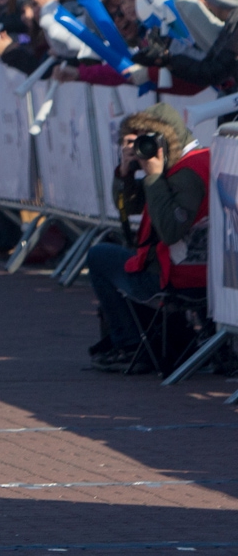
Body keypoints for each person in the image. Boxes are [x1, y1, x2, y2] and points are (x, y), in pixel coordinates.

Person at [87, 106, 208, 373]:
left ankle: (128, 344)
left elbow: (170, 230)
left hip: (176, 276)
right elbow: (128, 209)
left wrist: (153, 177)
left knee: (98, 256)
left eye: (147, 139)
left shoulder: (186, 173)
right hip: (204, 273)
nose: (143, 147)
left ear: (167, 138)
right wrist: (126, 173)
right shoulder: (194, 161)